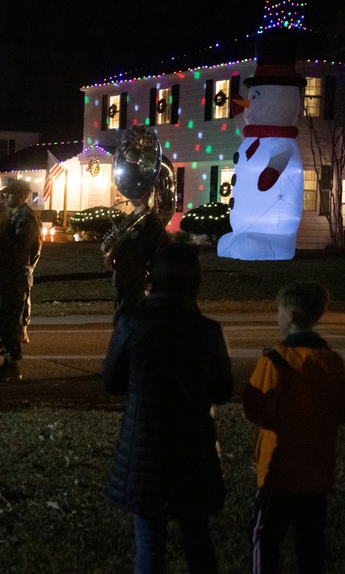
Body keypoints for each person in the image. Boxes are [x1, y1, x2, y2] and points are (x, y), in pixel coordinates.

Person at [103, 244, 233, 573]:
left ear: (153, 278)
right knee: (198, 540)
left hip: (145, 445)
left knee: (149, 545)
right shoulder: (207, 331)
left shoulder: (131, 323)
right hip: (194, 447)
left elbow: (112, 382)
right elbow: (222, 390)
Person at [243, 281, 345, 573]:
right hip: (317, 471)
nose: (277, 316)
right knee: (311, 544)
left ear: (290, 316)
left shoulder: (275, 362)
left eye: (279, 310)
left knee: (264, 536)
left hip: (279, 471)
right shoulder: (333, 362)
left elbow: (255, 410)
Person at [0, 179, 41, 381]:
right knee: (0, 318)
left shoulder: (26, 218)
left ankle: (12, 364)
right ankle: (8, 362)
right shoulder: (13, 215)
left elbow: (20, 247)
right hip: (6, 274)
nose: (6, 197)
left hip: (15, 275)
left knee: (9, 320)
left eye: (10, 194)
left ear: (22, 196)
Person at [102, 193, 168, 324]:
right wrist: (107, 246)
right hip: (121, 277)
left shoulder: (151, 222)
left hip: (137, 278)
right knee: (120, 317)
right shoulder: (128, 219)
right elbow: (115, 244)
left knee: (134, 321)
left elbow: (160, 253)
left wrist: (150, 281)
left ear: (147, 193)